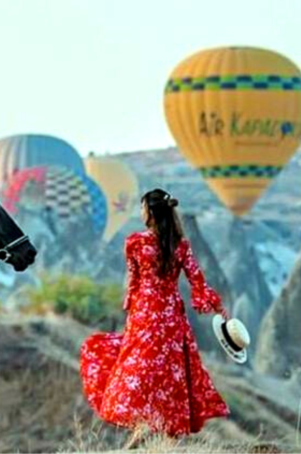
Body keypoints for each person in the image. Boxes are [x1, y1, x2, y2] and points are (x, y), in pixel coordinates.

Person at [80, 189, 229, 446]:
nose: (140, 213)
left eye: (142, 208)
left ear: (149, 212)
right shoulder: (181, 246)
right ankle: (157, 433)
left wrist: (131, 312)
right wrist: (215, 306)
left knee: (136, 370)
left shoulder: (135, 243)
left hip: (145, 317)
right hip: (170, 318)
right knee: (169, 375)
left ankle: (143, 428)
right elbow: (198, 281)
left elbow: (134, 284)